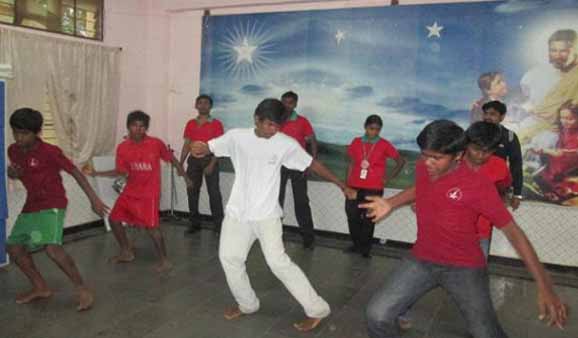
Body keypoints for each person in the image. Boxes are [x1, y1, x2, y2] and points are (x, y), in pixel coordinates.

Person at [361, 120, 567, 338]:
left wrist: (545, 286)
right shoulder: (424, 168)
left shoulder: (478, 185)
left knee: (485, 332)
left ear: (458, 155)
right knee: (377, 314)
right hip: (422, 259)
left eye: (436, 158)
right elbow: (419, 187)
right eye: (425, 155)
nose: (428, 162)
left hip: (464, 267)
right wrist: (391, 203)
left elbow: (514, 233)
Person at [190, 98, 356, 332]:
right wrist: (200, 147)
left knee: (278, 262)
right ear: (256, 119)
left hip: (267, 216)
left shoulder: (284, 144)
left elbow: (312, 164)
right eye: (269, 124)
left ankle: (317, 309)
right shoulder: (237, 137)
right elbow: (209, 146)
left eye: (277, 126)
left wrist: (341, 184)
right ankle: (247, 304)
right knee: (229, 259)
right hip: (237, 213)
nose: (273, 130)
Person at [6, 108, 109, 311]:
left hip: (53, 202)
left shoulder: (50, 152)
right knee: (14, 247)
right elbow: (19, 172)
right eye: (16, 132)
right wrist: (13, 173)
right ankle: (40, 287)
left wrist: (94, 199)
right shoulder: (13, 150)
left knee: (52, 248)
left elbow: (76, 173)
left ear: (37, 133)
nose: (19, 138)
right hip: (32, 203)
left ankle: (82, 289)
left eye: (24, 133)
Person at [87, 110, 191, 273]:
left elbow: (172, 160)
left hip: (149, 193)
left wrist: (185, 176)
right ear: (129, 127)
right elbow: (121, 172)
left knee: (152, 227)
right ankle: (126, 252)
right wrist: (97, 173)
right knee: (114, 219)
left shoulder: (156, 143)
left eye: (142, 126)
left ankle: (165, 260)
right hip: (130, 191)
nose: (139, 129)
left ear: (146, 128)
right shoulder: (122, 147)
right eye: (135, 126)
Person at [344, 115, 405, 258]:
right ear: (365, 127)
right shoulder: (356, 142)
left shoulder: (384, 144)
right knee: (352, 216)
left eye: (378, 129)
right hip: (354, 186)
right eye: (372, 128)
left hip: (373, 188)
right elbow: (351, 163)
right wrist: (346, 184)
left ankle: (365, 249)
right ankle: (356, 245)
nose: (374, 132)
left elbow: (400, 161)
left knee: (368, 219)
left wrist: (388, 178)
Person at [519, 29, 578, 143]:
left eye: (563, 51)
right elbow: (522, 99)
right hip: (535, 126)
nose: (557, 55)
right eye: (553, 50)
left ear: (574, 51)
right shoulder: (536, 73)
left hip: (566, 134)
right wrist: (530, 110)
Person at [464, 121, 512, 258]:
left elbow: (503, 187)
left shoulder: (499, 166)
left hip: (481, 233)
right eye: (476, 149)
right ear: (466, 144)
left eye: (487, 151)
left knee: (475, 276)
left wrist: (503, 199)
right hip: (448, 231)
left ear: (495, 149)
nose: (480, 155)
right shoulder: (453, 162)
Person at [278, 91, 318, 248]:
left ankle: (308, 238)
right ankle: (274, 236)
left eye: (289, 102)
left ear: (295, 104)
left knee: (301, 201)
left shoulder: (302, 121)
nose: (286, 105)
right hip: (278, 166)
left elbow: (312, 141)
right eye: (284, 102)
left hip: (298, 165)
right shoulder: (275, 120)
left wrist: (311, 162)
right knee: (276, 202)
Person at [180, 95, 225, 234]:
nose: (203, 105)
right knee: (192, 192)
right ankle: (194, 224)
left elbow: (220, 146)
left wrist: (212, 164)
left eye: (206, 103)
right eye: (200, 103)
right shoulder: (190, 123)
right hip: (193, 162)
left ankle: (218, 226)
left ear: (210, 106)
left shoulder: (216, 124)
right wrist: (180, 164)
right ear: (196, 105)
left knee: (214, 194)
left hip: (210, 160)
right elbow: (187, 144)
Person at [533, 100, 578, 202]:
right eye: (562, 118)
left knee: (556, 160)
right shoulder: (565, 128)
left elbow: (563, 153)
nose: (565, 121)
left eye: (570, 119)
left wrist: (545, 150)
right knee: (547, 137)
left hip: (570, 159)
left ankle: (557, 189)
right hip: (560, 156)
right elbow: (553, 120)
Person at [482, 101, 523, 210]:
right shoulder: (474, 132)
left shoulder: (509, 136)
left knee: (488, 222)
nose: (487, 117)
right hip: (473, 187)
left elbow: (516, 165)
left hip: (497, 190)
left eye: (492, 114)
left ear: (502, 117)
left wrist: (517, 194)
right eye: (485, 113)